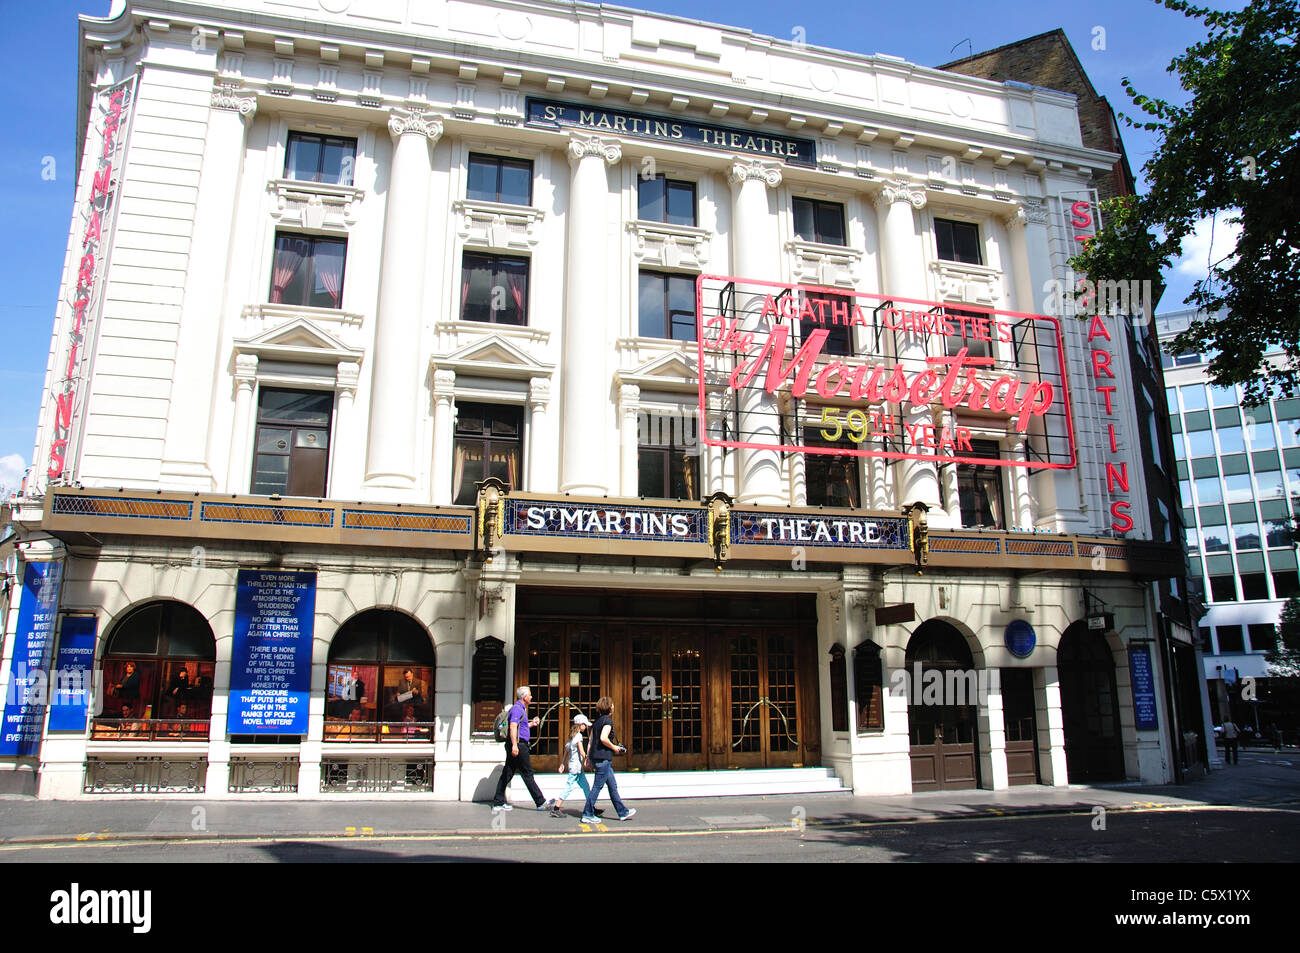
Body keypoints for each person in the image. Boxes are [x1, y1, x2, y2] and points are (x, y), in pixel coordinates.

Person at [491, 686, 547, 813]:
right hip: (519, 745)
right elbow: (512, 727)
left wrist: (531, 724)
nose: (531, 697)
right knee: (527, 773)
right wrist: (515, 745)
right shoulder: (517, 710)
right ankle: (540, 801)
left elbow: (519, 727)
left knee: (508, 772)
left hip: (517, 744)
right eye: (530, 695)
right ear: (524, 697)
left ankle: (498, 802)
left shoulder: (520, 709)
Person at [581, 696, 635, 823]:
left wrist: (588, 757)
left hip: (597, 758)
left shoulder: (596, 722)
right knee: (597, 787)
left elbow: (591, 740)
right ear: (609, 707)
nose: (614, 707)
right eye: (612, 705)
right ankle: (587, 813)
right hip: (603, 758)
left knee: (612, 786)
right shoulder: (607, 722)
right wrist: (615, 747)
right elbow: (603, 738)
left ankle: (622, 812)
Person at [550, 714, 593, 818]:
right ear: (580, 724)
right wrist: (588, 761)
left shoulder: (572, 736)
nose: (586, 727)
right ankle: (556, 808)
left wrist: (562, 764)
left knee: (586, 786)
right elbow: (582, 751)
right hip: (576, 768)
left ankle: (591, 807)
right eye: (584, 724)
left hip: (575, 766)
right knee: (569, 787)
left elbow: (566, 751)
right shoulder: (578, 736)